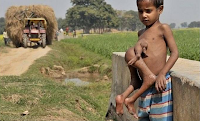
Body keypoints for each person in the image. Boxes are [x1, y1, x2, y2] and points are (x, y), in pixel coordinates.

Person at [115, 0, 179, 120]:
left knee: (160, 118)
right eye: (140, 11)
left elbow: (175, 53)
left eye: (148, 11)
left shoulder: (163, 28)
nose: (144, 15)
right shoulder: (141, 33)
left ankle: (127, 96)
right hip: (145, 87)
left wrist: (162, 74)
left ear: (160, 9)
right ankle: (128, 94)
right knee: (144, 117)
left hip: (160, 84)